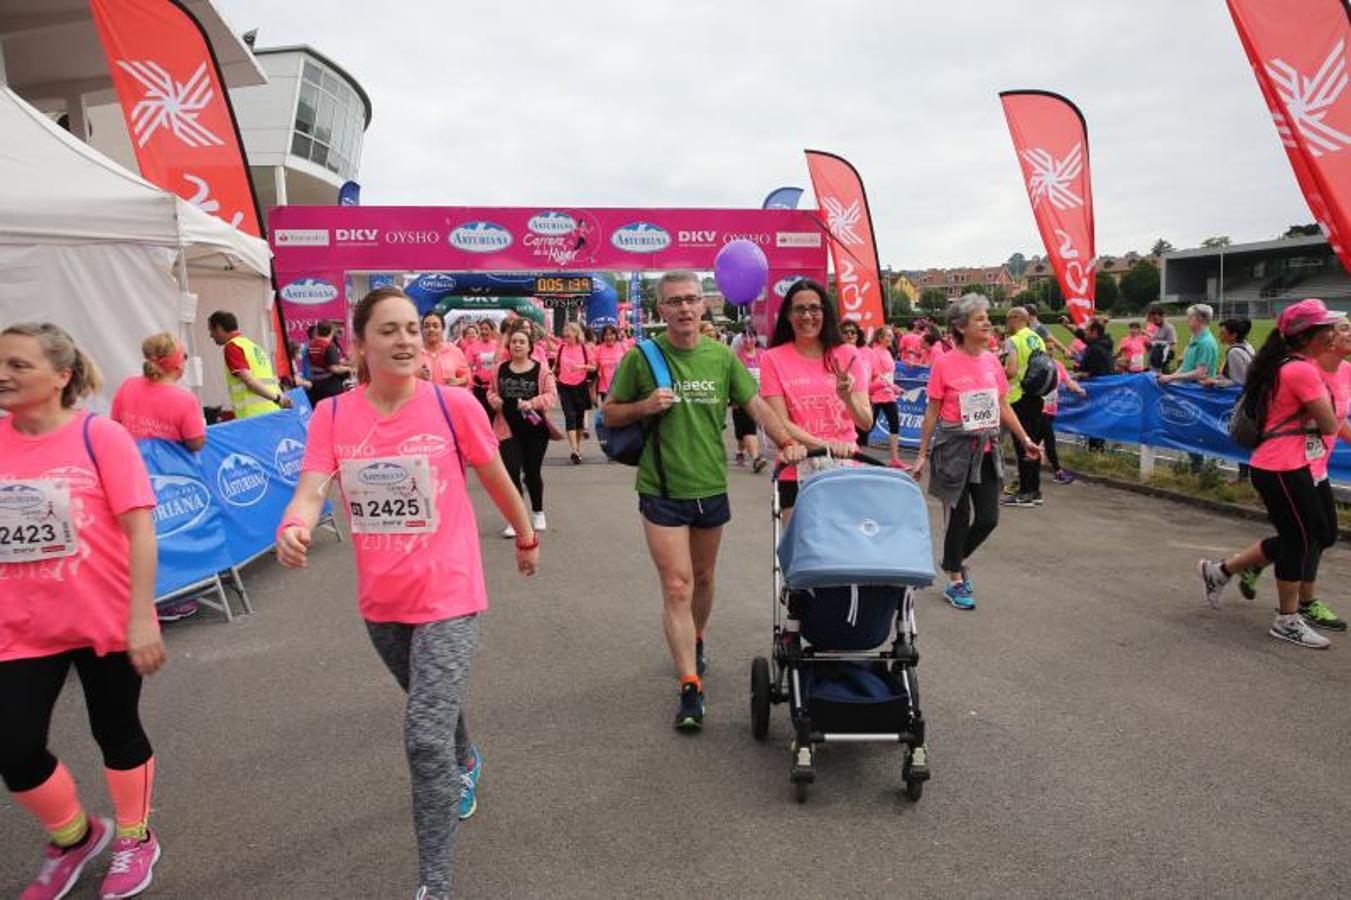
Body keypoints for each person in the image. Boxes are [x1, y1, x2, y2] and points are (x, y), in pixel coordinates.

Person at [276, 287, 538, 900]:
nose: (404, 341)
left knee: (423, 736)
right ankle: (467, 757)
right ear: (361, 342)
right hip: (384, 602)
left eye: (412, 330)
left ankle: (434, 884)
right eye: (388, 331)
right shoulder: (333, 416)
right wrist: (295, 523)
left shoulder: (453, 407)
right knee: (433, 709)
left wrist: (525, 534)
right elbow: (313, 486)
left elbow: (498, 477)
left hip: (450, 591)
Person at [1, 322, 167, 900]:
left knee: (115, 730)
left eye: (18, 365)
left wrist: (142, 615)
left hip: (104, 617)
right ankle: (75, 837)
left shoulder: (100, 436)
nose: (3, 374)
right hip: (19, 627)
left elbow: (140, 530)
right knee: (13, 747)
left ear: (61, 375)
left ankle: (134, 836)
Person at [602, 270, 801, 731]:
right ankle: (690, 683)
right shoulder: (642, 358)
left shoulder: (720, 358)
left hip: (710, 484)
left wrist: (787, 442)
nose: (685, 308)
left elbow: (758, 409)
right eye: (674, 302)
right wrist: (643, 406)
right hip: (662, 487)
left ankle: (697, 636)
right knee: (677, 584)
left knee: (705, 577)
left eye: (691, 299)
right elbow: (610, 413)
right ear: (661, 309)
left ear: (704, 305)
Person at [1196, 300, 1344, 649]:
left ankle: (1223, 570)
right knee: (1301, 539)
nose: (1333, 332)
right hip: (1282, 466)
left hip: (1284, 464)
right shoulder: (1302, 370)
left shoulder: (1288, 364)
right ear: (1311, 335)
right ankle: (1287, 619)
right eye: (1328, 327)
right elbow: (1327, 424)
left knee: (1310, 534)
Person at [911, 296, 1041, 610]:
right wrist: (922, 454)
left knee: (988, 518)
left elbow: (1002, 404)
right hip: (953, 450)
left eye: (986, 317)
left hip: (984, 449)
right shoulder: (943, 363)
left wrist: (1025, 439)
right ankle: (956, 579)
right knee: (959, 516)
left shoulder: (992, 361)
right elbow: (932, 411)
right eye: (979, 318)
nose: (987, 322)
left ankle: (952, 560)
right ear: (960, 326)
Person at [111, 332, 209, 623]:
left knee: (132, 537)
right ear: (179, 366)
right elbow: (196, 442)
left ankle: (134, 597)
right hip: (169, 478)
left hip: (126, 472)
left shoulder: (128, 386)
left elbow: (115, 425)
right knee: (170, 532)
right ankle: (172, 598)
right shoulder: (184, 399)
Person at [760, 280, 873, 516]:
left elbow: (865, 422)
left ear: (825, 312)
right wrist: (826, 447)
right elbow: (779, 421)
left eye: (814, 308)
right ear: (788, 316)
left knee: (846, 548)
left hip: (846, 465)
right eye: (799, 309)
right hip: (796, 465)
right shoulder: (772, 359)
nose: (807, 316)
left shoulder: (848, 355)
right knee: (801, 549)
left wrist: (848, 397)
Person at [488, 321, 557, 538]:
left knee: (532, 472)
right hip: (507, 428)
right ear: (509, 346)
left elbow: (551, 396)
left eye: (522, 342)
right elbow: (490, 391)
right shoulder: (500, 369)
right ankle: (514, 519)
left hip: (535, 428)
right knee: (511, 472)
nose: (517, 345)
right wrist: (495, 400)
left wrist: (533, 403)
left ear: (530, 347)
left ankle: (538, 511)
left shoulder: (541, 370)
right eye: (514, 342)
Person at [1002, 306, 1049, 508]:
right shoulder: (1036, 338)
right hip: (1037, 395)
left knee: (1023, 444)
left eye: (1007, 319)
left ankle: (1024, 492)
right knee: (1034, 443)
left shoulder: (1013, 341)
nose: (1006, 324)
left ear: (1015, 319)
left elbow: (1011, 371)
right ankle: (1035, 490)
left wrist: (997, 370)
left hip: (1019, 396)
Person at [206, 310, 291, 419]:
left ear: (218, 328)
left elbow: (249, 381)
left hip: (253, 417)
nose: (211, 336)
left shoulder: (232, 347)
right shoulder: (253, 346)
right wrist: (279, 399)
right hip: (271, 410)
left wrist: (278, 399)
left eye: (211, 331)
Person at [554, 322, 595, 464]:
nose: (565, 337)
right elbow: (555, 366)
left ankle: (577, 448)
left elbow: (594, 367)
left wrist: (581, 367)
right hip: (564, 386)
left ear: (576, 334)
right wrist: (551, 374)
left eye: (568, 335)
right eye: (564, 335)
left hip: (581, 386)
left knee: (578, 419)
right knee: (569, 416)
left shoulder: (585, 349)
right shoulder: (561, 348)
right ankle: (573, 449)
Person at [1042, 356, 1087, 484]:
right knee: (1049, 439)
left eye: (1052, 349)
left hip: (1051, 410)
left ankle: (1024, 473)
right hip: (1038, 411)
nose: (1050, 351)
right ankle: (1058, 472)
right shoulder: (1037, 364)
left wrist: (1079, 390)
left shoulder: (1058, 365)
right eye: (1047, 348)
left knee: (1036, 441)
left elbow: (1068, 381)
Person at [866, 326, 906, 468]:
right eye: (888, 336)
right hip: (877, 394)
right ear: (880, 338)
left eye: (891, 335)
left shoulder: (887, 352)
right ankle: (852, 454)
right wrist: (894, 388)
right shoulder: (874, 352)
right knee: (866, 427)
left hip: (888, 394)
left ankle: (895, 459)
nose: (891, 338)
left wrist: (893, 388)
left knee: (895, 424)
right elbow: (877, 375)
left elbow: (888, 375)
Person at [731, 321, 767, 473]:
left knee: (744, 431)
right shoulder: (736, 356)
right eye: (745, 337)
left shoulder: (762, 355)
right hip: (742, 400)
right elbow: (732, 378)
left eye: (751, 336)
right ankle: (756, 458)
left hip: (759, 399)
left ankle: (741, 452)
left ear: (755, 338)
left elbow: (768, 375)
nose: (748, 340)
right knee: (748, 429)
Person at [304, 321, 352, 407]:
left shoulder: (312, 345)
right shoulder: (329, 346)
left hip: (315, 384)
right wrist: (348, 369)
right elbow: (333, 368)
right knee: (333, 410)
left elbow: (322, 361)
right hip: (330, 385)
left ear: (318, 330)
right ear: (332, 331)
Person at [418, 310, 470, 389]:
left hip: (448, 399)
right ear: (422, 329)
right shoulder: (414, 353)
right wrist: (417, 375)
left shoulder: (454, 351)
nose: (431, 329)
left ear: (443, 328)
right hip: (422, 399)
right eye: (426, 326)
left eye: (435, 326)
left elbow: (467, 376)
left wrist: (459, 381)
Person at [467, 320, 499, 421]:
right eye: (481, 329)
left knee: (493, 418)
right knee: (480, 417)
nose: (484, 331)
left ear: (492, 331)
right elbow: (468, 367)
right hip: (479, 388)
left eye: (486, 329)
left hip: (494, 389)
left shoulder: (498, 345)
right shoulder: (473, 347)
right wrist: (470, 386)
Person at [1146, 304, 1177, 372]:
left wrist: (1159, 345)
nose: (1154, 321)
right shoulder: (1158, 328)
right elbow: (1155, 340)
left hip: (1163, 362)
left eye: (1155, 319)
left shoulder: (1169, 328)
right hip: (1155, 361)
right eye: (1152, 319)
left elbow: (1172, 345)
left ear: (1162, 316)